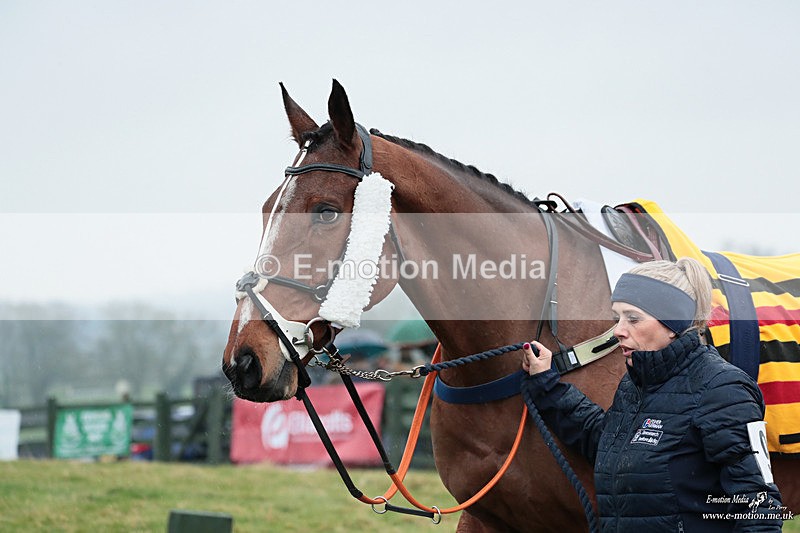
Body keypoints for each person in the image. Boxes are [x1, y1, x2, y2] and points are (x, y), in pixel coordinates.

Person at [521, 258, 783, 532]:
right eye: (618, 318)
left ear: (673, 324)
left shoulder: (724, 389)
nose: (618, 331)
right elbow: (605, 443)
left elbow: (757, 506)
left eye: (633, 319)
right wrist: (546, 384)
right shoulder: (635, 384)